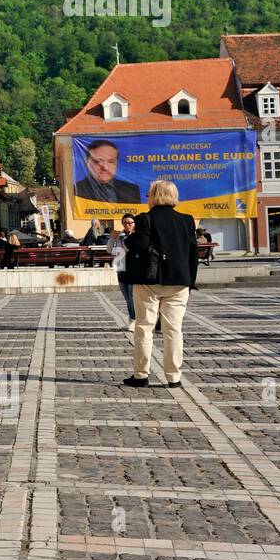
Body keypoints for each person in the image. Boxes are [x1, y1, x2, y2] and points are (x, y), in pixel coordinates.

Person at [123, 180, 198, 389]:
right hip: (179, 280)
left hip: (150, 280)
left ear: (154, 196)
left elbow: (139, 244)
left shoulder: (145, 219)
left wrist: (128, 239)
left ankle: (141, 375)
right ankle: (173, 377)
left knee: (144, 327)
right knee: (173, 329)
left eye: (149, 194)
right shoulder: (186, 220)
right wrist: (190, 280)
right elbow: (193, 253)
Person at [74, 139, 143, 204]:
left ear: (116, 163)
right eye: (97, 162)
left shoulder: (131, 190)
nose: (105, 168)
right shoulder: (76, 190)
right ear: (86, 162)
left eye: (111, 162)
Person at [109, 213, 137, 330]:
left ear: (134, 223)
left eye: (130, 222)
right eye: (125, 223)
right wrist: (112, 239)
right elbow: (111, 250)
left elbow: (131, 249)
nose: (127, 225)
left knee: (132, 299)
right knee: (127, 298)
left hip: (133, 270)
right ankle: (133, 320)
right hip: (121, 269)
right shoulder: (120, 236)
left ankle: (133, 321)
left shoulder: (137, 236)